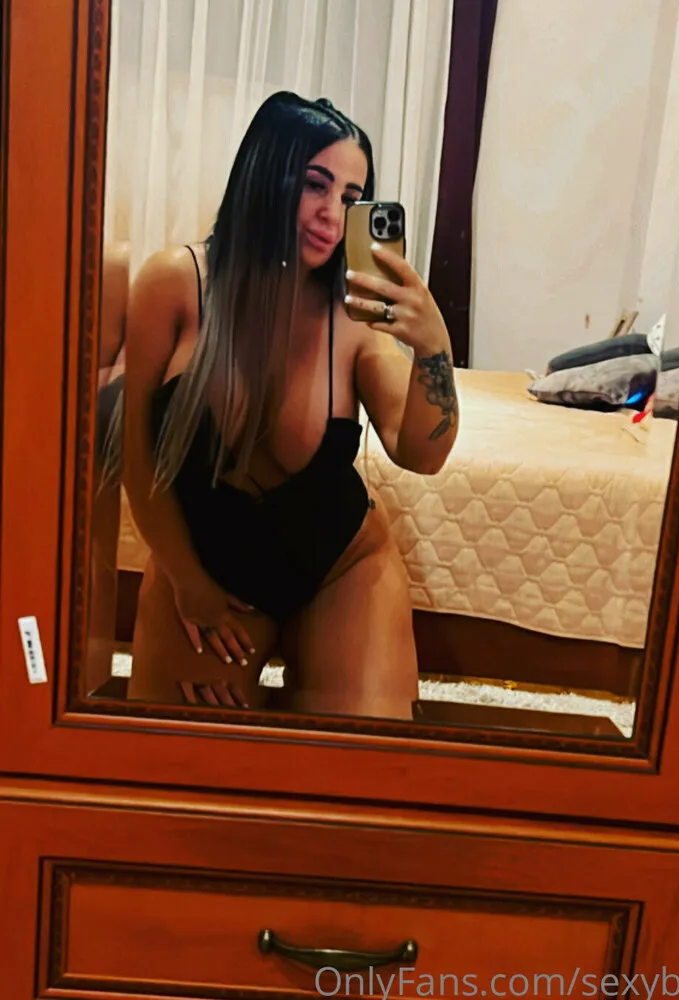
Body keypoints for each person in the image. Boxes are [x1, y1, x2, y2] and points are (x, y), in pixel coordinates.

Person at [118, 93, 459, 719]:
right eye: (314, 185)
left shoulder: (353, 316)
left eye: (352, 198)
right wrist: (188, 583)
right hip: (208, 569)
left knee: (358, 760)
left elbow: (420, 452)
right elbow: (139, 462)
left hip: (340, 567)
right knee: (185, 761)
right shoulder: (175, 285)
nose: (333, 215)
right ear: (263, 172)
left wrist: (434, 347)